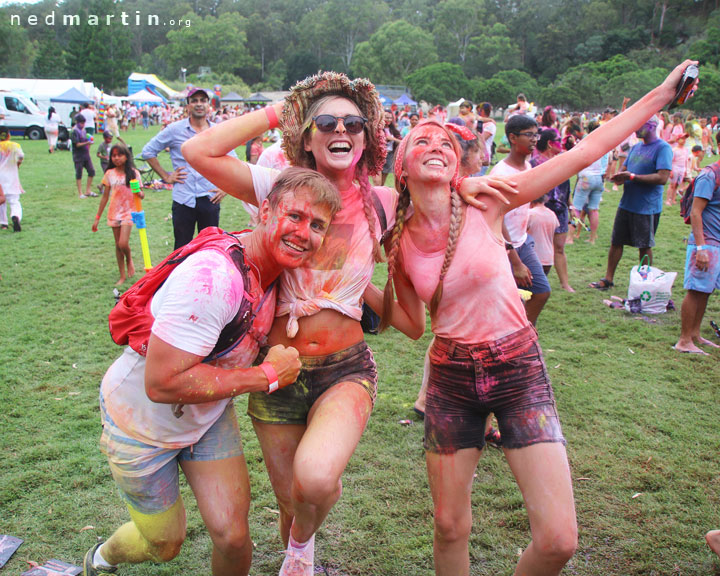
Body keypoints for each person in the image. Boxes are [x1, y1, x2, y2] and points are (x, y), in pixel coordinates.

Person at [368, 60, 697, 576]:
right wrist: (358, 287)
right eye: (419, 140)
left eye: (445, 142)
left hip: (517, 365)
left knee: (558, 540)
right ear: (401, 164)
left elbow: (584, 150)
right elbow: (411, 324)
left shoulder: (487, 204)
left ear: (459, 164)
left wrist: (660, 94)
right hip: (451, 377)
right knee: (450, 527)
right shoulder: (398, 240)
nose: (434, 144)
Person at [181, 71, 513, 576]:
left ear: (367, 136)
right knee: (292, 499)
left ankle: (297, 553)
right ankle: (302, 557)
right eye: (327, 122)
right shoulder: (280, 187)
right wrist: (280, 111)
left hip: (345, 369)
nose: (341, 129)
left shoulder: (382, 202)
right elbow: (200, 151)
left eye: (353, 123)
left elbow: (432, 221)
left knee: (315, 481)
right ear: (308, 137)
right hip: (276, 373)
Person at [82, 167, 340, 576]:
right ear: (265, 210)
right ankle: (102, 557)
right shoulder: (214, 278)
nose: (304, 233)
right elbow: (162, 382)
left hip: (206, 418)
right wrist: (267, 376)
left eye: (317, 225)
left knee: (234, 537)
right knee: (163, 543)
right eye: (295, 217)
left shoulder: (278, 269)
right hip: (139, 425)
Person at [141, 88, 231, 250]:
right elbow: (148, 151)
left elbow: (233, 159)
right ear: (187, 106)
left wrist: (226, 187)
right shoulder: (174, 130)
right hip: (184, 199)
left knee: (210, 248)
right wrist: (166, 176)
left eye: (202, 100)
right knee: (182, 249)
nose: (199, 104)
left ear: (208, 105)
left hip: (209, 198)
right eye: (194, 101)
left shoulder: (217, 131)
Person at [590, 114, 673, 291]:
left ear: (651, 126)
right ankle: (608, 279)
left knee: (644, 245)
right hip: (627, 203)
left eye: (639, 125)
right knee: (616, 241)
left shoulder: (662, 148)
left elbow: (662, 177)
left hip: (647, 207)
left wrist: (633, 177)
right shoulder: (635, 147)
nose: (635, 129)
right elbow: (625, 169)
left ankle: (645, 282)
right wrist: (619, 176)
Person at [491, 115, 552, 324]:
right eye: (529, 135)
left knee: (541, 291)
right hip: (502, 247)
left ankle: (523, 333)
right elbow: (496, 216)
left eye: (536, 134)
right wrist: (515, 259)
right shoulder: (501, 173)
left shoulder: (528, 167)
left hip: (521, 241)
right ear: (512, 138)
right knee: (502, 301)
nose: (535, 139)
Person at [673, 135, 720, 355]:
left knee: (706, 290)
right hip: (706, 243)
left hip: (715, 243)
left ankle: (695, 335)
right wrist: (701, 248)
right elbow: (696, 212)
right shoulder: (710, 175)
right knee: (695, 290)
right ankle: (684, 340)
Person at [91, 143, 142, 286]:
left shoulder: (134, 173)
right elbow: (105, 197)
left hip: (129, 212)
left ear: (126, 156)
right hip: (114, 212)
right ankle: (122, 275)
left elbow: (141, 194)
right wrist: (97, 218)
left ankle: (129, 259)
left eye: (120, 155)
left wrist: (139, 192)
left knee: (123, 243)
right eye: (113, 156)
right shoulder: (109, 174)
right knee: (117, 245)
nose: (116, 158)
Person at [530, 130, 574, 292]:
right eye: (558, 141)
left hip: (560, 210)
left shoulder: (561, 162)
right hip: (540, 211)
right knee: (536, 247)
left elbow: (566, 187)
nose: (561, 144)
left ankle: (565, 283)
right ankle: (535, 280)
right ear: (550, 143)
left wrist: (571, 206)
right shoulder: (534, 163)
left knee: (559, 248)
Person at [569, 120, 608, 244]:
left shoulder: (586, 141)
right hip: (599, 178)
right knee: (594, 209)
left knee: (576, 208)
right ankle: (592, 238)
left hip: (586, 178)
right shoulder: (604, 143)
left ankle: (569, 237)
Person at [0, 129, 25, 232]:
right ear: (8, 135)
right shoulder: (15, 146)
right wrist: (17, 165)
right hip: (12, 176)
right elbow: (20, 157)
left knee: (1, 200)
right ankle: (15, 216)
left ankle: (3, 223)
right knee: (14, 201)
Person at [71, 115, 98, 199]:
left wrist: (89, 144)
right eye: (81, 123)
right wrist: (87, 143)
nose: (83, 125)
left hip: (86, 154)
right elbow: (77, 144)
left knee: (91, 171)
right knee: (79, 173)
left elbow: (86, 140)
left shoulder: (83, 130)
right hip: (78, 155)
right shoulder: (74, 131)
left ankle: (88, 190)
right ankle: (80, 193)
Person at [666, 133, 690, 206]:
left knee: (677, 184)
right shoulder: (674, 150)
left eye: (684, 139)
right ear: (678, 140)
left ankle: (673, 199)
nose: (683, 140)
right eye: (682, 139)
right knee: (672, 184)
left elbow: (686, 160)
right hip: (675, 167)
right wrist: (671, 171)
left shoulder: (686, 150)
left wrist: (685, 170)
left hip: (682, 168)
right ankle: (668, 199)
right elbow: (671, 161)